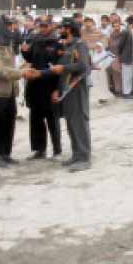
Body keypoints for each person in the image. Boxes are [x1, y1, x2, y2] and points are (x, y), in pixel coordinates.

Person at [39, 18, 91, 172]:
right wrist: (58, 87)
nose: (59, 30)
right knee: (71, 124)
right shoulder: (66, 46)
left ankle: (84, 157)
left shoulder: (80, 45)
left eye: (62, 28)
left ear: (68, 29)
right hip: (66, 90)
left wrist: (63, 68)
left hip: (76, 89)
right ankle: (76, 154)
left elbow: (83, 66)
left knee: (79, 122)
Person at [0, 15, 30, 167]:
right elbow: (0, 70)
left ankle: (6, 153)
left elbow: (10, 68)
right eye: (9, 25)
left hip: (9, 91)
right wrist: (21, 73)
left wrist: (22, 68)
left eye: (12, 25)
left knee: (9, 123)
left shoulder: (9, 46)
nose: (12, 28)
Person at [21, 17, 62, 159]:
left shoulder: (56, 43)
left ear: (51, 26)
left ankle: (57, 149)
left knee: (52, 120)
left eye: (46, 26)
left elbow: (59, 68)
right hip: (35, 85)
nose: (43, 28)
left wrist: (57, 89)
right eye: (41, 26)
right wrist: (24, 52)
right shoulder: (35, 41)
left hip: (50, 85)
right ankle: (40, 149)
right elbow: (30, 59)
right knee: (36, 119)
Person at [118, 16, 133, 98]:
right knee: (126, 76)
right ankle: (126, 93)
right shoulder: (125, 31)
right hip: (126, 57)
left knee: (131, 75)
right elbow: (120, 45)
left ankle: (130, 90)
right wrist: (121, 56)